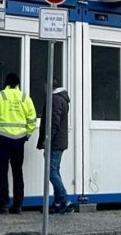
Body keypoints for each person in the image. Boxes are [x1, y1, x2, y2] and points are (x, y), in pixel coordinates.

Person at [0, 72, 36, 214]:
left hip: (3, 139)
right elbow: (32, 120)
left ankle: (3, 204)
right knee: (18, 172)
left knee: (2, 172)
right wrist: (26, 135)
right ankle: (18, 205)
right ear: (18, 84)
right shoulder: (25, 97)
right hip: (19, 141)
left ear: (6, 83)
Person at [37, 78, 73, 214]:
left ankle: (66, 201)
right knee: (55, 171)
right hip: (59, 141)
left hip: (55, 142)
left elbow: (54, 122)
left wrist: (48, 139)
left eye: (44, 86)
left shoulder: (56, 100)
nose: (43, 89)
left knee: (51, 172)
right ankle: (58, 203)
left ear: (48, 86)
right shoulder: (61, 99)